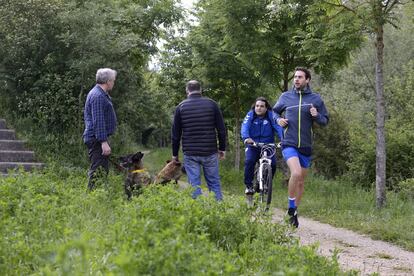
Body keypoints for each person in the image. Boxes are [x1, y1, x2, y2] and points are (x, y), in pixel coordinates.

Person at [273, 67, 329, 227]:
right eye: (295, 77)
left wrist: (316, 115)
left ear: (307, 80)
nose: (296, 79)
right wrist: (278, 120)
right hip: (288, 143)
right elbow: (273, 112)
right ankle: (290, 209)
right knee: (296, 173)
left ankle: (294, 211)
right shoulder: (285, 97)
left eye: (300, 77)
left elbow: (325, 121)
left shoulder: (315, 99)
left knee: (301, 183)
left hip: (306, 146)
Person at [171, 80, 227, 200]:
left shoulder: (180, 107)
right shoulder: (212, 104)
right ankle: (218, 212)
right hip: (210, 151)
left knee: (194, 185)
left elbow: (175, 134)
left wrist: (175, 154)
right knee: (214, 183)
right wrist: (222, 148)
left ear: (187, 91)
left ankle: (198, 213)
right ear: (201, 90)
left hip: (190, 153)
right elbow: (221, 129)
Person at [241, 97, 283, 204]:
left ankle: (266, 184)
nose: (259, 108)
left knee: (273, 165)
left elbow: (278, 127)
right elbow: (245, 126)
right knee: (249, 161)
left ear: (266, 108)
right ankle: (249, 186)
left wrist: (284, 139)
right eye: (257, 106)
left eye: (262, 106)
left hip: (268, 146)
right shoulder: (250, 115)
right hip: (253, 145)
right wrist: (246, 137)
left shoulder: (271, 115)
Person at [82, 68, 118, 190]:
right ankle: (91, 198)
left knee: (102, 170)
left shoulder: (102, 94)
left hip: (99, 138)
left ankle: (98, 196)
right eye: (113, 80)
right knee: (97, 171)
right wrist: (103, 142)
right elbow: (98, 120)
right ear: (107, 81)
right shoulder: (97, 96)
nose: (113, 83)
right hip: (96, 139)